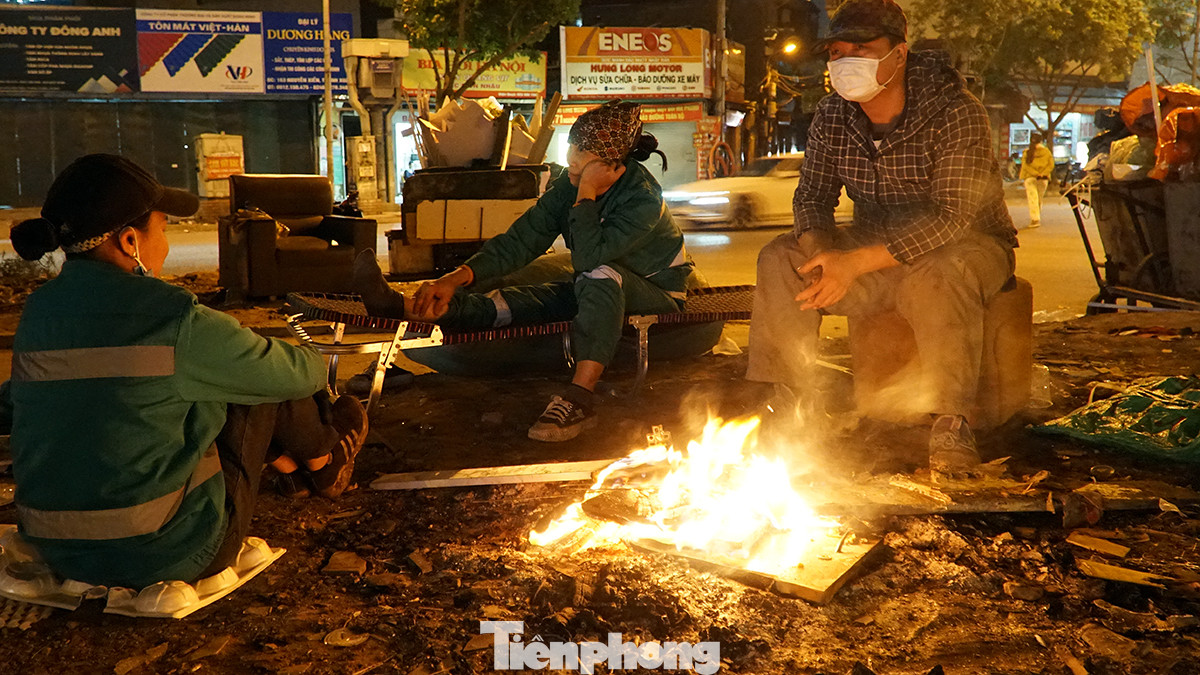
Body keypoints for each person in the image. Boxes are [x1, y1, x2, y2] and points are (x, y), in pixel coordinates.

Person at [0, 154, 368, 590]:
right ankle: (324, 456)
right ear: (130, 241)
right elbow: (298, 374)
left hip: (59, 550)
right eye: (164, 229)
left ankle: (300, 464)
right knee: (257, 376)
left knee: (200, 382)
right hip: (170, 553)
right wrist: (303, 360)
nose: (167, 245)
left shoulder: (38, 313)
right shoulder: (168, 316)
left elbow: (20, 402)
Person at [747, 0, 1019, 473]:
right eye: (836, 52)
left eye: (861, 48)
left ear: (899, 54)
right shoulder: (833, 114)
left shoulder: (956, 111)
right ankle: (787, 400)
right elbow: (811, 199)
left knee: (940, 272)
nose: (845, 61)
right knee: (780, 258)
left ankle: (951, 422)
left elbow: (952, 217)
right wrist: (825, 257)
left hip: (969, 247)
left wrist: (853, 264)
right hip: (874, 246)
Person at [353, 100, 692, 443]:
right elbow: (521, 240)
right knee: (524, 299)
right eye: (572, 157)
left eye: (583, 163)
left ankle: (580, 397)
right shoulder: (568, 186)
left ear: (611, 165)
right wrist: (454, 278)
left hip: (657, 294)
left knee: (600, 274)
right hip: (598, 288)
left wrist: (587, 193)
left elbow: (591, 259)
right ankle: (406, 308)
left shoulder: (642, 199)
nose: (572, 168)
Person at [1019, 132, 1055, 228]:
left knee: (1032, 199)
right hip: (1043, 179)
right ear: (1041, 140)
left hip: (1030, 178)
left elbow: (1025, 166)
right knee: (1039, 198)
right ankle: (1036, 217)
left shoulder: (1027, 152)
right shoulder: (1047, 152)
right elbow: (1051, 165)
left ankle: (1035, 219)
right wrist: (1042, 174)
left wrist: (1035, 174)